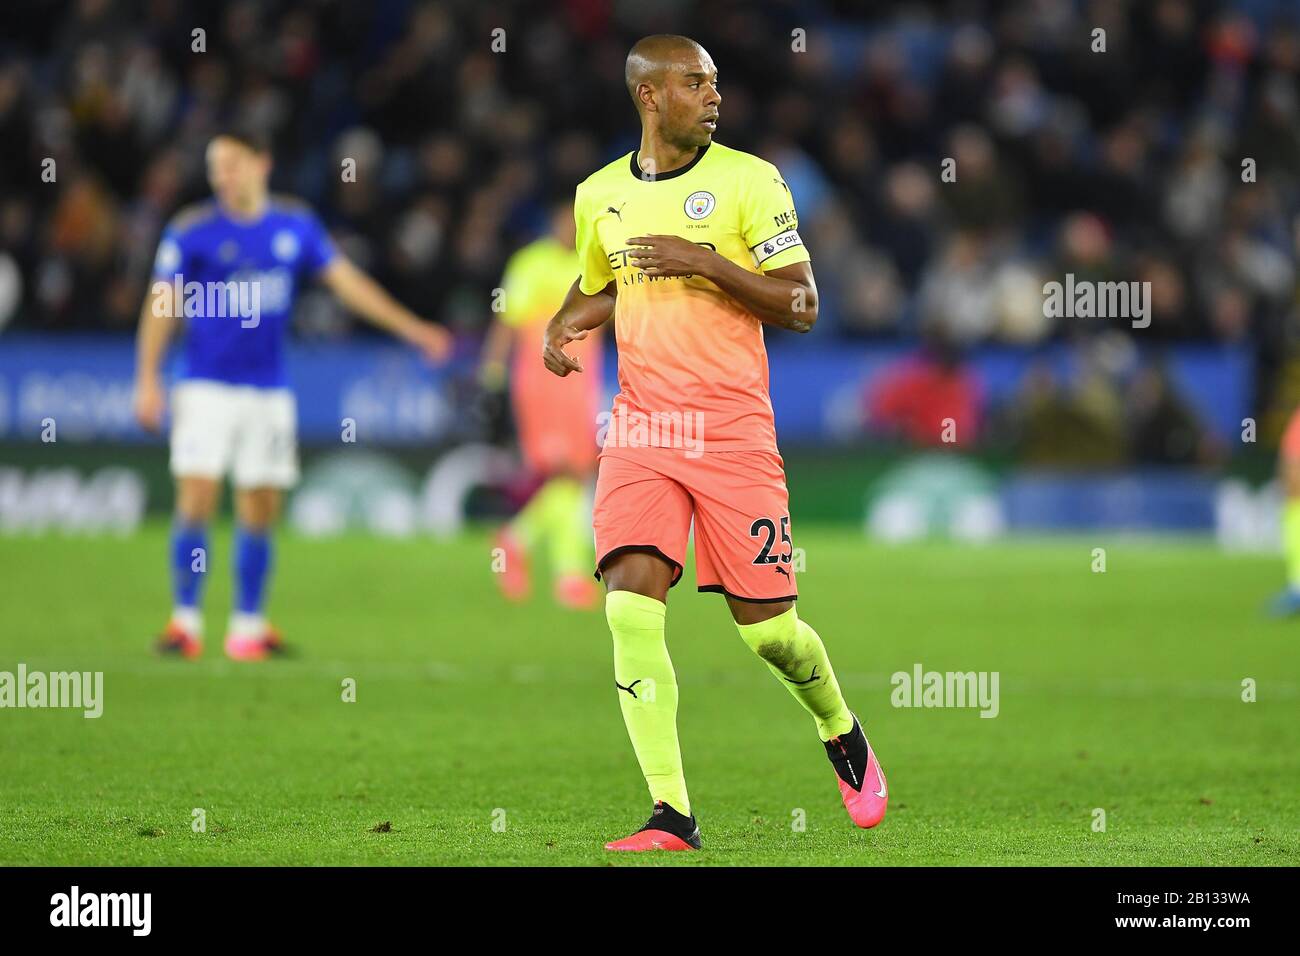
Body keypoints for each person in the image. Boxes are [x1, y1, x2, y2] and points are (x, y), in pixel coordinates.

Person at [542, 35, 887, 851]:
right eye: (696, 83)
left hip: (733, 432)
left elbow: (801, 304)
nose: (714, 95)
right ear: (649, 97)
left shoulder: (750, 181)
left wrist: (705, 263)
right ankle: (672, 813)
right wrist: (564, 324)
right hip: (643, 428)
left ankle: (838, 726)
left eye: (717, 82)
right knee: (629, 601)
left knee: (769, 632)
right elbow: (601, 282)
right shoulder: (598, 194)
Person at [133, 129, 450, 661]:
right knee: (197, 498)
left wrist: (414, 329)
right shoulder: (192, 232)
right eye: (215, 167)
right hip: (204, 385)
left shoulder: (294, 225)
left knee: (260, 505)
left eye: (232, 164)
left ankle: (248, 628)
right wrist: (147, 377)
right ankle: (184, 621)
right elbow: (160, 305)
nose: (222, 177)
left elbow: (347, 284)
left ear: (262, 162)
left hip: (268, 390)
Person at [479, 198, 605, 610]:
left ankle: (520, 543)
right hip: (542, 383)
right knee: (563, 473)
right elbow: (507, 319)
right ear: (552, 222)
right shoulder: (531, 263)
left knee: (574, 476)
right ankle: (564, 573)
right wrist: (493, 371)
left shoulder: (595, 264)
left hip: (582, 384)